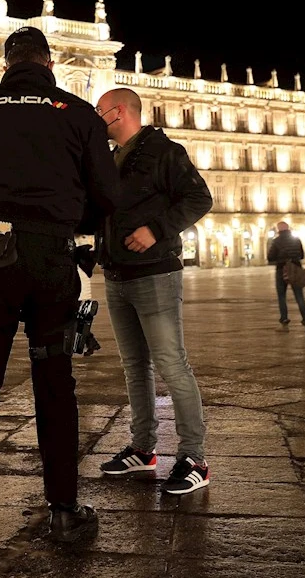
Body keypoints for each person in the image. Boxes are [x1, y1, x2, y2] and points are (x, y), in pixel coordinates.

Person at [0, 26, 119, 542]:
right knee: (54, 384)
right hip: (50, 261)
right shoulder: (78, 112)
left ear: (5, 64)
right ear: (49, 63)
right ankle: (64, 509)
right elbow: (106, 193)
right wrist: (65, 217)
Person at [93, 87, 214, 496]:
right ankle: (143, 449)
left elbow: (200, 197)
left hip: (155, 274)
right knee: (134, 366)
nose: (97, 119)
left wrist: (156, 230)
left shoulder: (165, 151)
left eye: (100, 112)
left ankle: (193, 457)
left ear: (120, 112)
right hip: (117, 274)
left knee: (171, 363)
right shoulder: (110, 159)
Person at [267, 221, 305, 332]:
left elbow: (270, 257)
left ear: (278, 230)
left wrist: (280, 259)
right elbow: (302, 255)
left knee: (282, 297)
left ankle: (284, 323)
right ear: (288, 229)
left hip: (282, 270)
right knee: (299, 296)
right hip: (296, 269)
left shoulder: (276, 241)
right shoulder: (296, 240)